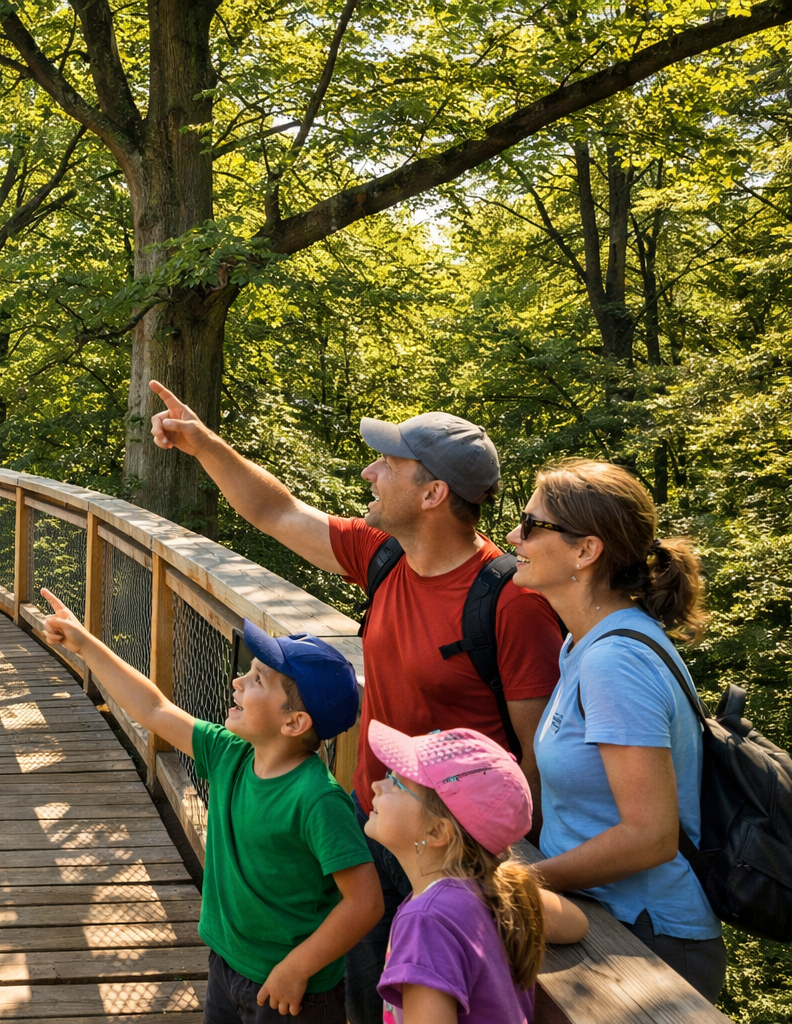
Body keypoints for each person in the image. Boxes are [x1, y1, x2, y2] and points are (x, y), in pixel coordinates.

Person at [148, 382, 562, 1023]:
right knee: (368, 1007)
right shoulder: (382, 555)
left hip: (449, 852)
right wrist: (204, 445)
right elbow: (275, 512)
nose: (370, 471)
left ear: (433, 495)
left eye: (388, 464)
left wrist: (505, 868)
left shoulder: (512, 603)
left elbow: (536, 758)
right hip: (375, 823)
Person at [40, 590, 383, 1023]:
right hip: (226, 963)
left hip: (291, 991)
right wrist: (85, 643)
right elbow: (154, 708)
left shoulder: (317, 799)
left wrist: (297, 968)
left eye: (257, 679)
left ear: (294, 722)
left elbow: (365, 902)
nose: (238, 681)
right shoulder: (230, 753)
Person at [509, 459, 725, 1001]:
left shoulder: (616, 661)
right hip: (605, 922)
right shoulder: (583, 643)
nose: (515, 535)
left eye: (532, 525)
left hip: (650, 942)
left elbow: (650, 836)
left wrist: (524, 883)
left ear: (586, 551)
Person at [364, 723, 589, 1023]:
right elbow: (576, 924)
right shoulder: (487, 889)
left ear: (437, 831)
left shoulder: (425, 922)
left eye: (396, 781)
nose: (377, 786)